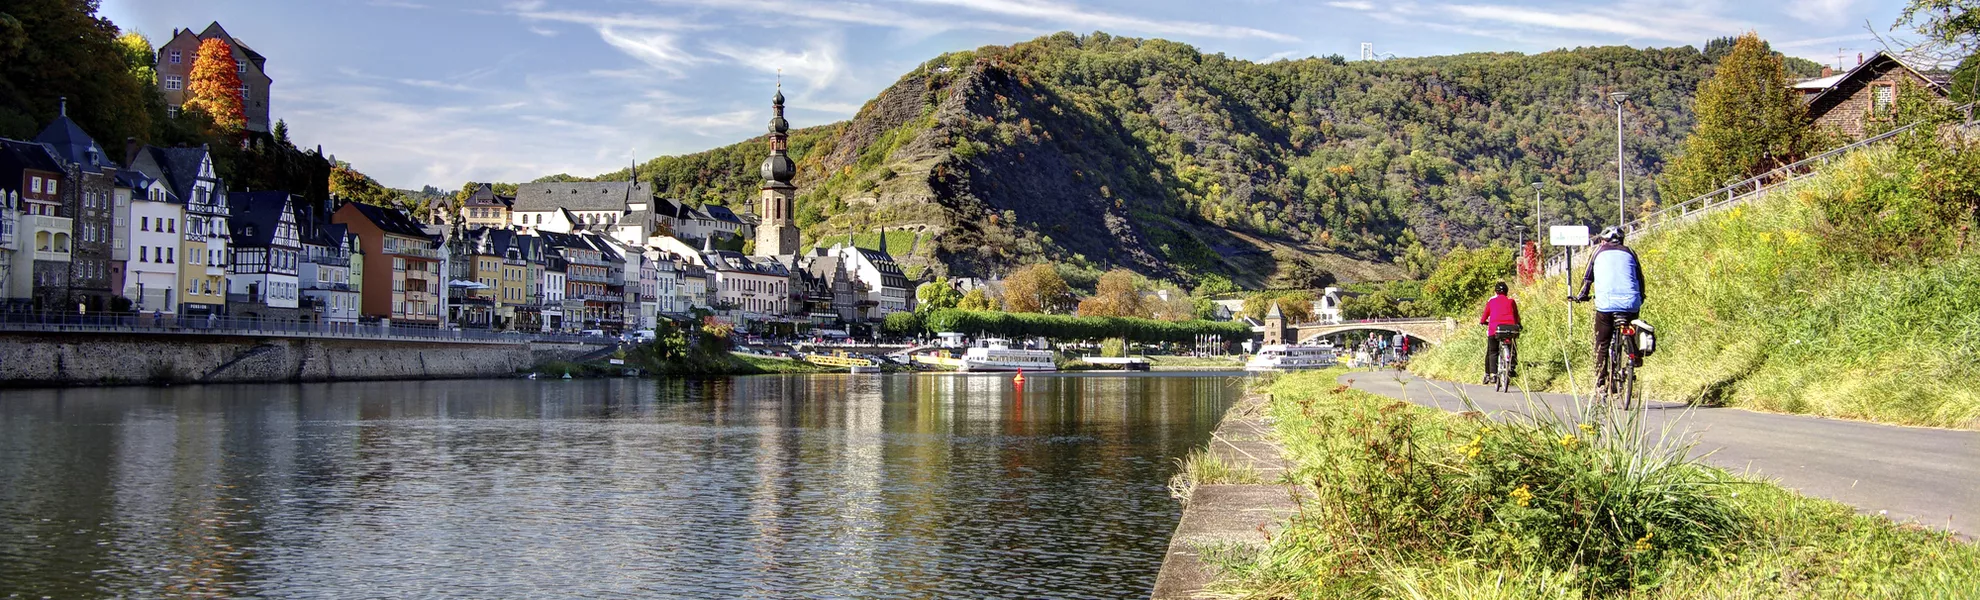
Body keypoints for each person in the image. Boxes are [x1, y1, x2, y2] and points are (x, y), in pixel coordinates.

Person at [1571, 226, 1646, 386]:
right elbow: (1640, 279)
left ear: (1603, 240)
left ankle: (1600, 382)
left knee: (1602, 343)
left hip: (1606, 305)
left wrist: (1581, 296)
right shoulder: (1630, 252)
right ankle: (1634, 355)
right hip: (1631, 303)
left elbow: (1587, 279)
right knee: (1631, 324)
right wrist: (1641, 297)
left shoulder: (1598, 252)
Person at [1479, 281, 1521, 384]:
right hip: (1510, 329)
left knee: (1493, 351)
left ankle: (1493, 375)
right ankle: (1511, 367)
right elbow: (1516, 316)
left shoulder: (1491, 302)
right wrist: (1518, 324)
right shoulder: (1511, 301)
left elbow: (1484, 317)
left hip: (1495, 329)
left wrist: (1483, 322)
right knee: (1512, 346)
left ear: (1496, 292)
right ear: (1507, 292)